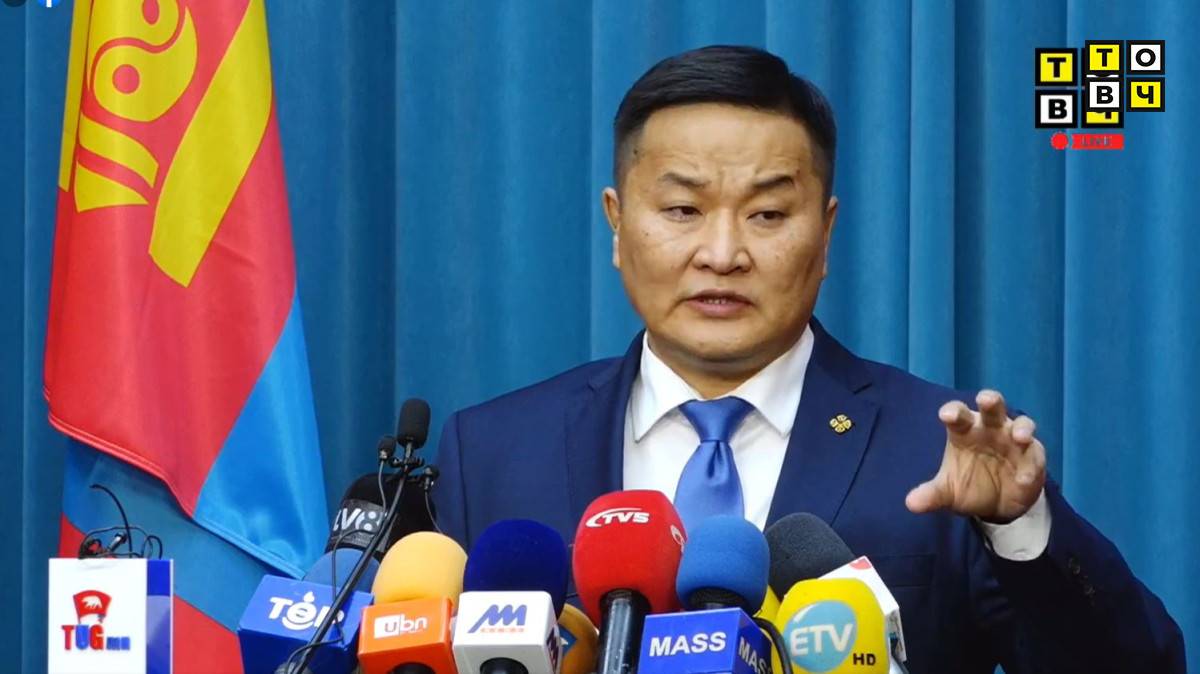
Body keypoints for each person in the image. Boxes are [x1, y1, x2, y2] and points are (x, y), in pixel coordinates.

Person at [433, 45, 1184, 672]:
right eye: (683, 210)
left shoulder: (936, 451)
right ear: (618, 224)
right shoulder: (494, 451)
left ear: (824, 235)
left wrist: (1021, 529)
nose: (722, 253)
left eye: (767, 213)